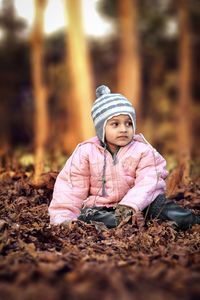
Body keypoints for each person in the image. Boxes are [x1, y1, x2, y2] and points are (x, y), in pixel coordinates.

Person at [48, 85, 200, 230]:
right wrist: (63, 218)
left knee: (160, 205)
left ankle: (191, 222)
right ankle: (122, 223)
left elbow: (150, 180)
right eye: (115, 124)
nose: (123, 129)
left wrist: (131, 205)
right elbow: (71, 187)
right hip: (102, 208)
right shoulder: (86, 152)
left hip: (139, 205)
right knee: (87, 216)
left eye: (128, 123)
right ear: (101, 128)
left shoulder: (143, 150)